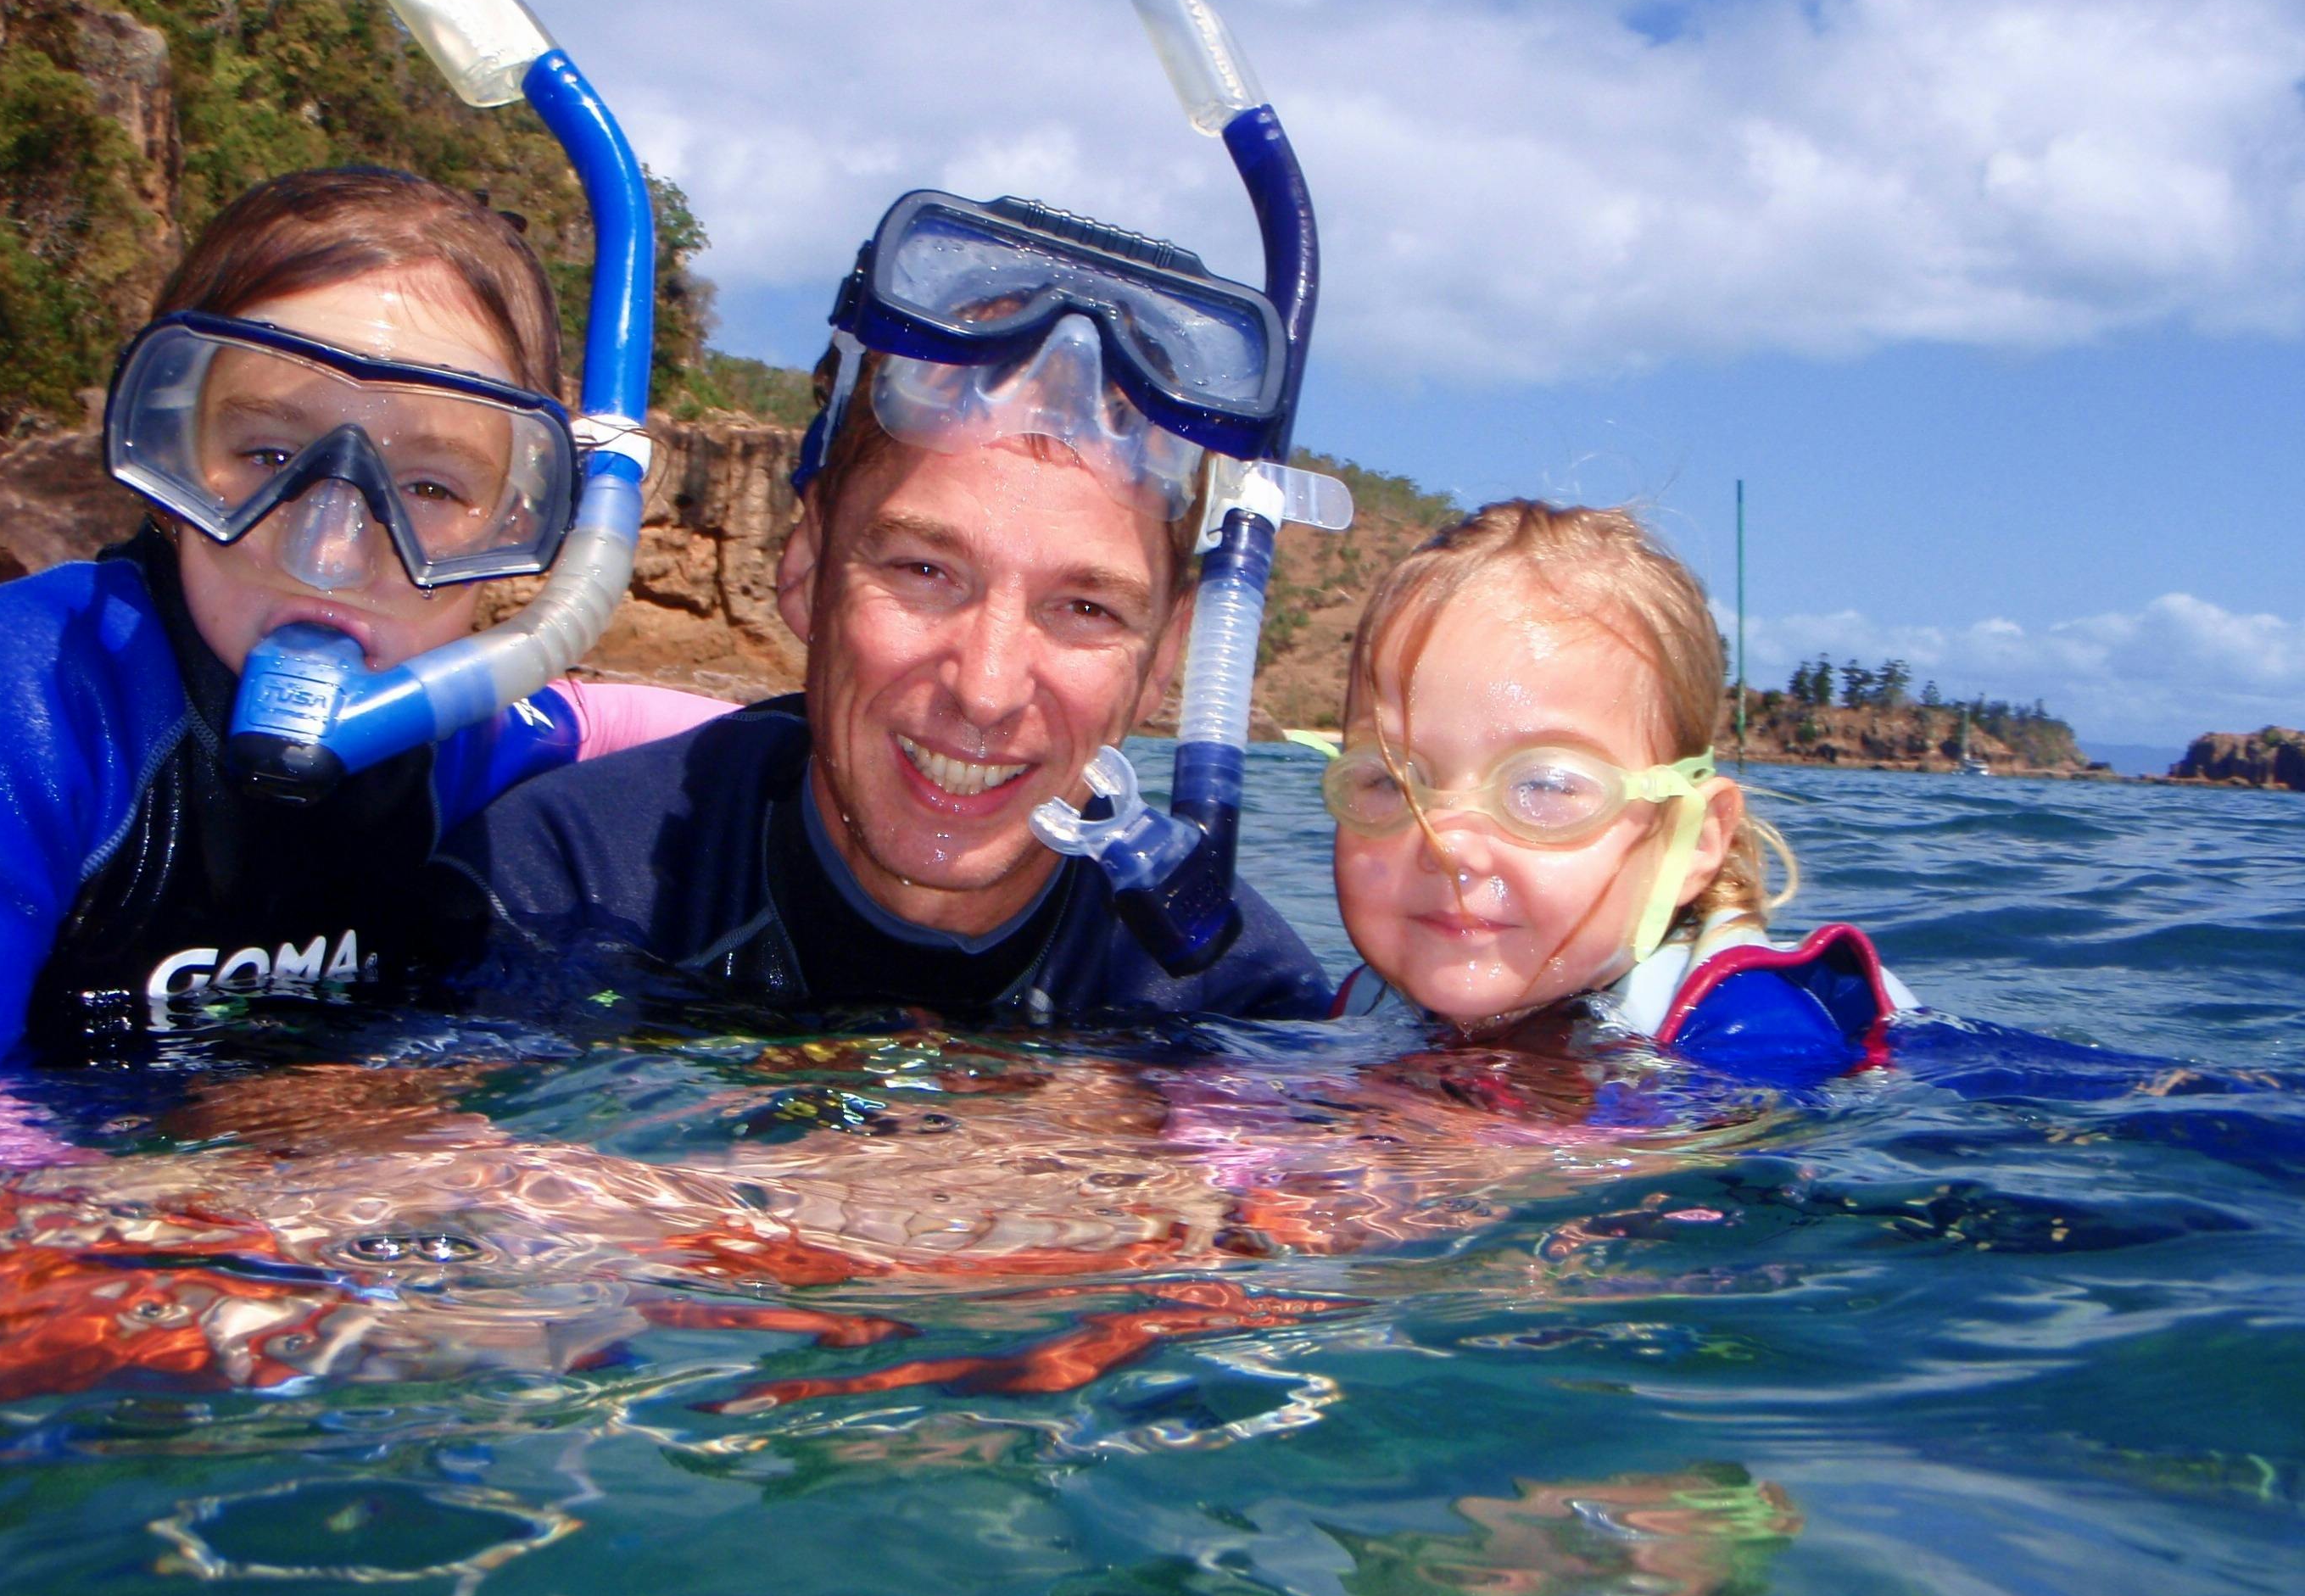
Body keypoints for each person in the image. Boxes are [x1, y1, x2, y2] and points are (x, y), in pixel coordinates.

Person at [0, 167, 728, 1076]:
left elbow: (609, 722)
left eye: (432, 486)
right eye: (269, 450)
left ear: (519, 521)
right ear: (170, 461)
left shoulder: (463, 731)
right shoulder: (29, 693)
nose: (331, 549)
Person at [431, 192, 1332, 1024]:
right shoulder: (550, 887)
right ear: (807, 567)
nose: (985, 690)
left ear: (1163, 664)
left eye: (1086, 609)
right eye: (925, 571)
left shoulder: (1238, 1005)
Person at [1324, 500, 1910, 1082]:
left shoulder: (1755, 1031)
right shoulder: (1371, 1004)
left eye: (1544, 786)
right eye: (1390, 780)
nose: (1446, 847)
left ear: (1693, 841)